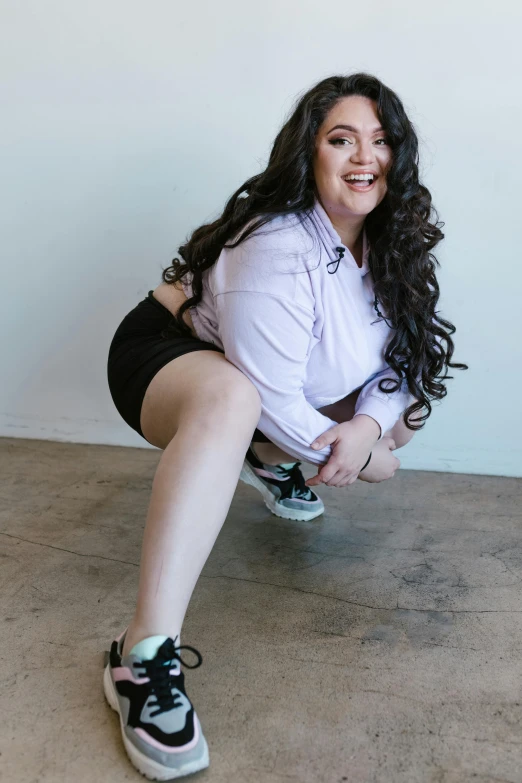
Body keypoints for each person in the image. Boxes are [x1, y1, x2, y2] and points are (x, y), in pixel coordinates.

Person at [104, 72, 468, 780]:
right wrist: (368, 460)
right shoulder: (276, 241)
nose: (365, 155)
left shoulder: (388, 237)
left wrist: (367, 429)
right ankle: (139, 656)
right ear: (310, 153)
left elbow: (402, 367)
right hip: (170, 351)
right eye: (341, 139)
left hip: (259, 374)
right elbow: (271, 393)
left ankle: (268, 460)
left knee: (403, 418)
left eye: (381, 139)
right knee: (239, 403)